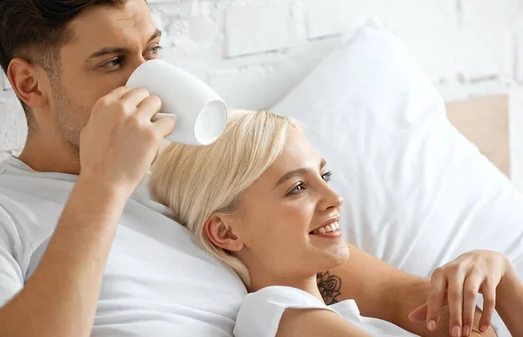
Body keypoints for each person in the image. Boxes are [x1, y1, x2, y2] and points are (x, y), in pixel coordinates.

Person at [0, 1, 500, 336]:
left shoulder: (199, 175)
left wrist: (467, 289)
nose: (145, 80)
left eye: (151, 54)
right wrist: (105, 183)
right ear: (30, 84)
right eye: (112, 63)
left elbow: (399, 298)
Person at [149, 110, 523, 337]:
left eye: (324, 175)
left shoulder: (332, 315)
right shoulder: (280, 315)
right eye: (297, 188)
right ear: (227, 232)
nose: (334, 198)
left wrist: (502, 275)